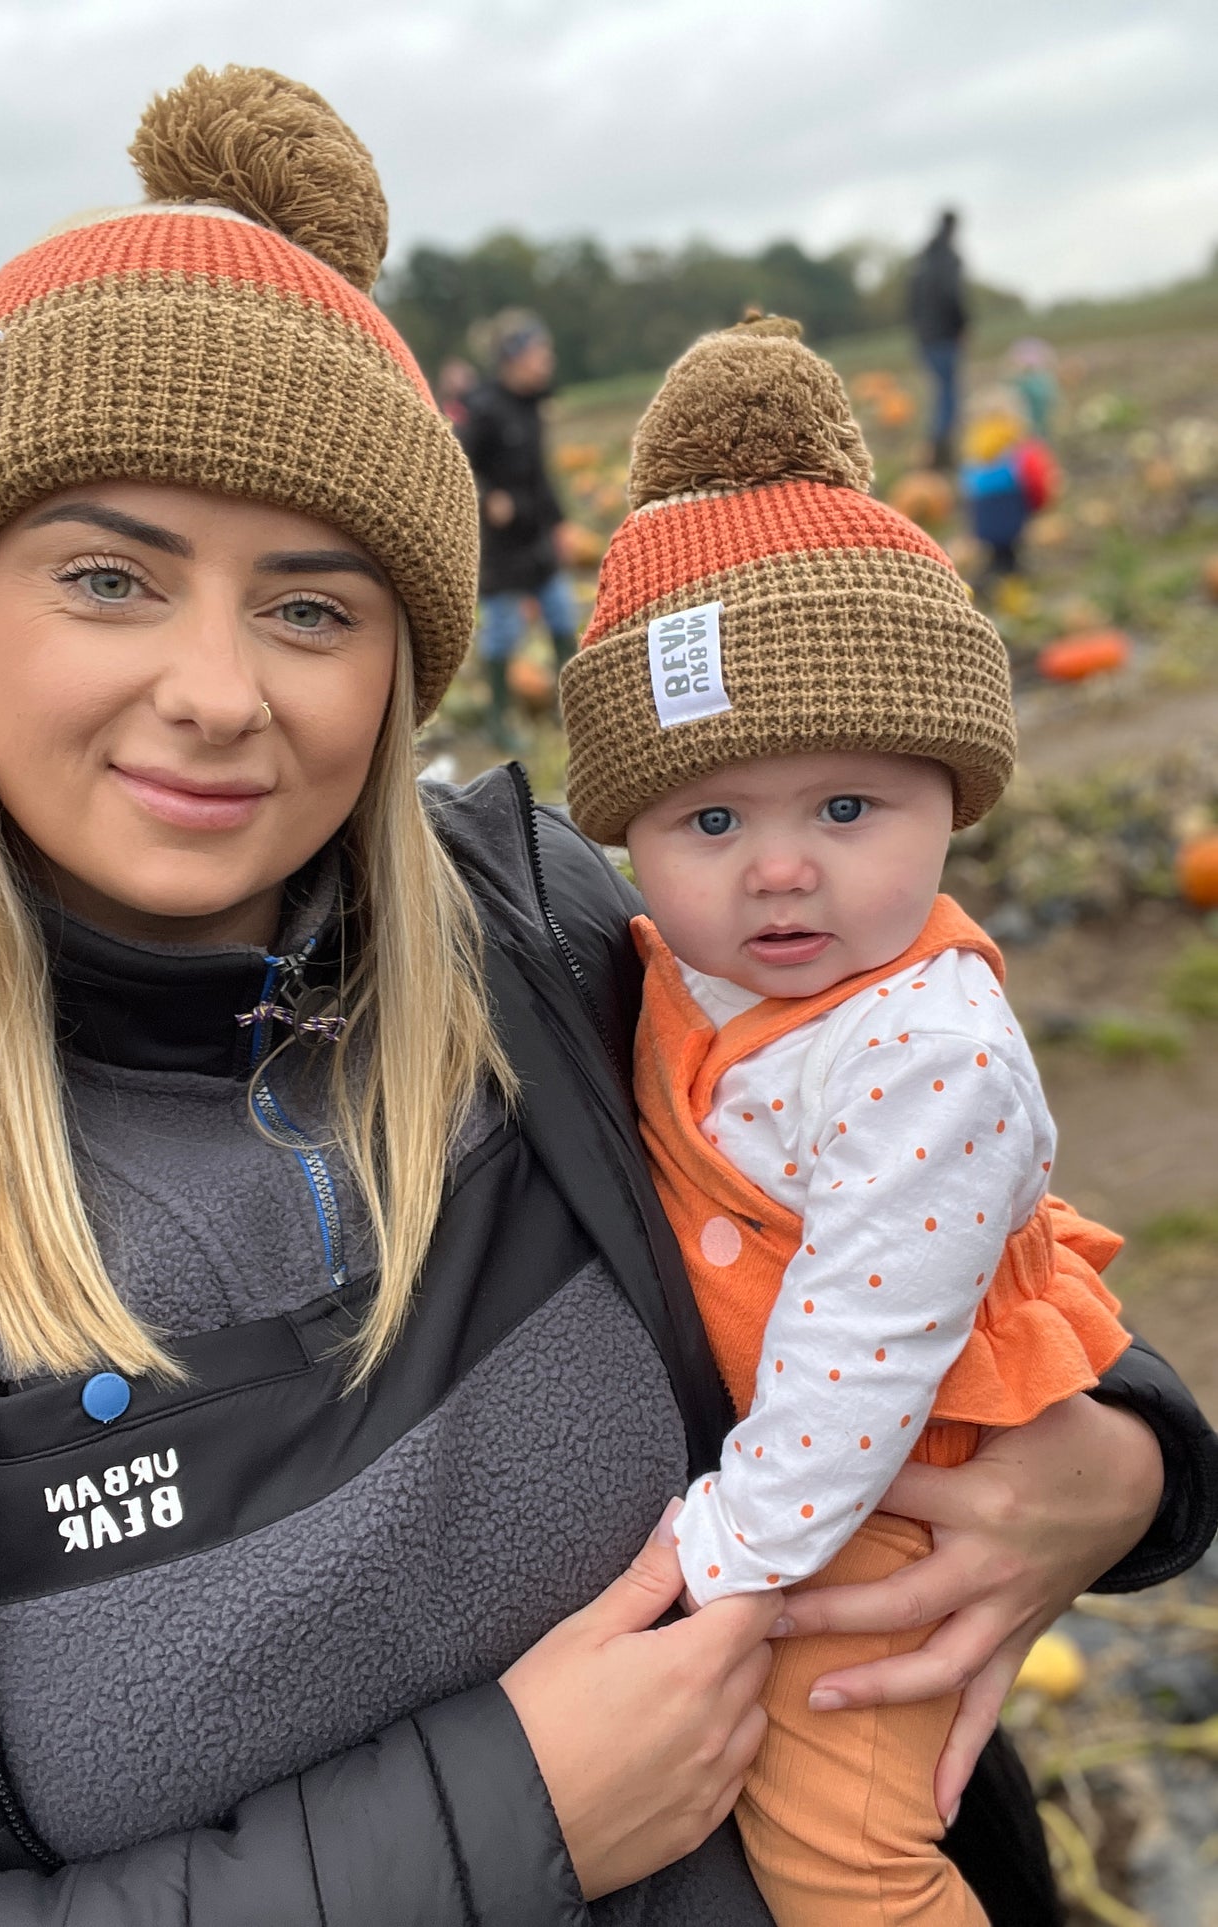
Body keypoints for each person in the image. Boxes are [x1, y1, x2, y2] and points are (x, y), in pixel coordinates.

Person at [0, 66, 1213, 1927]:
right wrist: (505, 1819)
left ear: (399, 664)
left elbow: (919, 1178)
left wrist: (1125, 1458)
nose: (218, 690)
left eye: (311, 606)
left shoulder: (541, 929)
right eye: (111, 577)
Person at [561, 316, 1217, 1926]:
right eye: (710, 817)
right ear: (629, 834)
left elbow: (860, 1353)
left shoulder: (929, 1053)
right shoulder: (671, 967)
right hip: (823, 1474)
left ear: (952, 796)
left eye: (848, 808)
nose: (780, 867)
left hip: (886, 1491)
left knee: (841, 1848)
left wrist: (728, 1543)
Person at [457, 309, 579, 747]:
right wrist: (488, 494)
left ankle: (574, 711)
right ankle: (499, 720)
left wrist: (560, 523)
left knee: (563, 614)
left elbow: (541, 475)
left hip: (536, 536)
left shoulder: (531, 405)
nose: (547, 358)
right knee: (504, 630)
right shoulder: (483, 410)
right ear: (513, 357)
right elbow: (458, 459)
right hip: (501, 548)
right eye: (538, 351)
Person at [960, 385, 1060, 590]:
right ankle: (1010, 572)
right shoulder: (1019, 446)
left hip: (982, 518)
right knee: (1010, 545)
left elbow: (966, 485)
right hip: (1012, 513)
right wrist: (1038, 504)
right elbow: (1035, 479)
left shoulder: (973, 448)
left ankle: (997, 570)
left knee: (998, 548)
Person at [909, 211, 968, 470]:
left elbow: (910, 303)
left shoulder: (922, 260)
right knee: (948, 395)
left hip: (925, 338)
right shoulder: (949, 259)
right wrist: (962, 325)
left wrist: (918, 332)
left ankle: (937, 453)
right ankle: (943, 454)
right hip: (945, 335)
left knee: (939, 393)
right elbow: (952, 295)